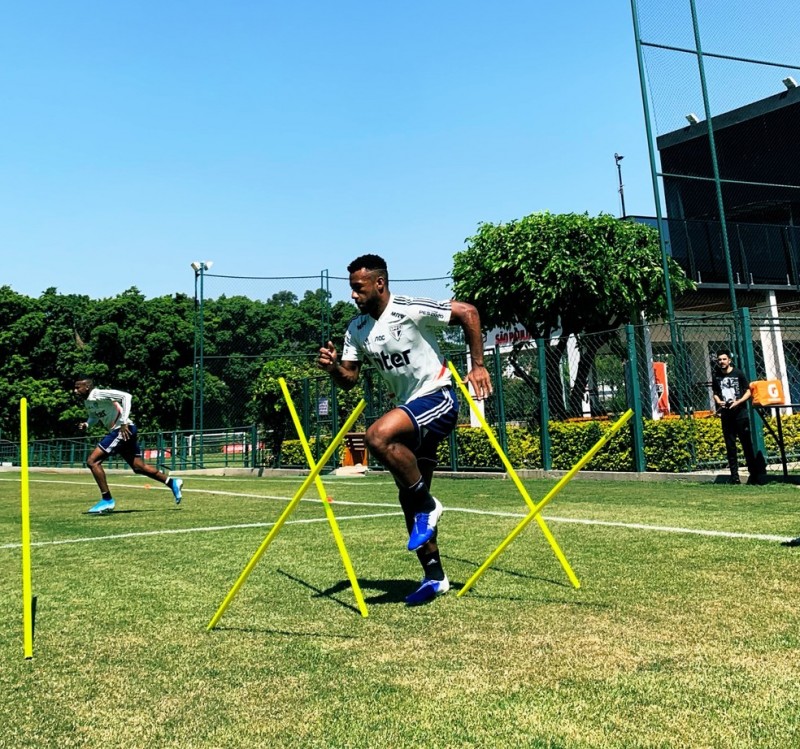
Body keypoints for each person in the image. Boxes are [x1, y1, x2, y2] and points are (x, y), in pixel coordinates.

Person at [318, 254, 492, 605]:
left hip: (438, 398)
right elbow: (350, 379)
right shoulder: (357, 329)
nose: (353, 295)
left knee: (377, 436)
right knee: (407, 497)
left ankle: (430, 504)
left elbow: (468, 313)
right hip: (410, 411)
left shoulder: (410, 308)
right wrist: (335, 367)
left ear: (379, 283)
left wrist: (478, 365)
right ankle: (435, 577)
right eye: (351, 289)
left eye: (358, 288)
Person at [73, 377, 184, 514]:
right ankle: (172, 482)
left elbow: (126, 396)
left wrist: (124, 421)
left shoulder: (99, 393)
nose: (75, 390)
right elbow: (94, 416)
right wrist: (87, 424)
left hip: (123, 429)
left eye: (78, 387)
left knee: (92, 461)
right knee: (138, 467)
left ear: (87, 387)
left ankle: (107, 500)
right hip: (124, 430)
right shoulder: (88, 401)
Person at [711, 351, 765, 485]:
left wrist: (739, 401)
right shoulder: (716, 376)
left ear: (729, 360)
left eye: (724, 359)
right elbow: (716, 393)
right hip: (726, 414)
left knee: (746, 444)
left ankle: (754, 475)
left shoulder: (738, 373)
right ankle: (734, 476)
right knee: (730, 446)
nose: (721, 362)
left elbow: (748, 390)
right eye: (719, 360)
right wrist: (719, 402)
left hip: (740, 414)